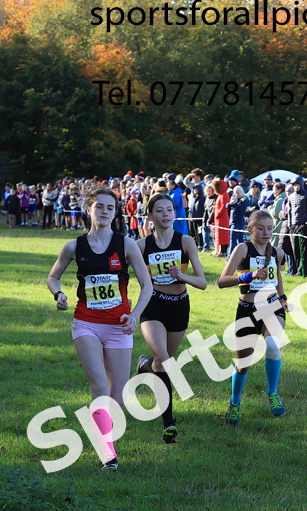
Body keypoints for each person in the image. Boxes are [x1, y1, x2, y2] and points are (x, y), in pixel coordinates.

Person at [46, 186, 153, 471]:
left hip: (119, 327)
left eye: (110, 208)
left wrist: (135, 315)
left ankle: (107, 441)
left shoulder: (126, 244)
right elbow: (53, 277)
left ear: (115, 213)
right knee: (99, 387)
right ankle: (108, 455)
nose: (105, 212)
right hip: (86, 323)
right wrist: (59, 294)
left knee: (116, 398)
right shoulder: (73, 246)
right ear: (89, 209)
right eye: (99, 207)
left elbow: (147, 285)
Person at [136, 194, 207, 443]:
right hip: (153, 307)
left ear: (174, 214)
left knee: (163, 362)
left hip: (179, 306)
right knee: (164, 360)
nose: (166, 214)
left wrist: (181, 276)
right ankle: (168, 423)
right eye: (160, 210)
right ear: (151, 216)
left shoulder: (185, 241)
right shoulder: (141, 246)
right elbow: (118, 269)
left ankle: (144, 366)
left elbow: (203, 282)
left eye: (170, 209)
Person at [218, 210, 289, 424]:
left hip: (271, 307)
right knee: (243, 364)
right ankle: (235, 402)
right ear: (250, 230)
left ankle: (273, 394)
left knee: (273, 346)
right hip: (247, 310)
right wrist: (249, 275)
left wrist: (283, 297)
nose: (266, 232)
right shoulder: (242, 249)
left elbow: (277, 277)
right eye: (261, 228)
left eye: (269, 228)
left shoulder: (277, 252)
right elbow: (222, 281)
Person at [287, 176, 307, 277]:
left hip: (303, 224)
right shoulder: (291, 197)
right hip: (293, 225)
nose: (296, 187)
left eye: (297, 185)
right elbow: (289, 211)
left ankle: (303, 271)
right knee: (295, 249)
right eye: (294, 185)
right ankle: (297, 270)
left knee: (304, 249)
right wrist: (289, 224)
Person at [228, 186, 248, 256]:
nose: (237, 194)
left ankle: (231, 257)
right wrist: (231, 202)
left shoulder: (243, 200)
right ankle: (236, 256)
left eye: (238, 192)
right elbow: (227, 206)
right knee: (235, 241)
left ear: (241, 192)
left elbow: (238, 208)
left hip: (238, 222)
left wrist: (233, 203)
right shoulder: (234, 199)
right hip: (233, 222)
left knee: (236, 241)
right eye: (235, 192)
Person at [212, 178, 230, 257]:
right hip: (219, 218)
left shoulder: (224, 195)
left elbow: (224, 206)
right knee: (219, 235)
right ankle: (220, 251)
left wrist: (218, 214)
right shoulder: (221, 195)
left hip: (222, 218)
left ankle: (223, 252)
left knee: (223, 235)